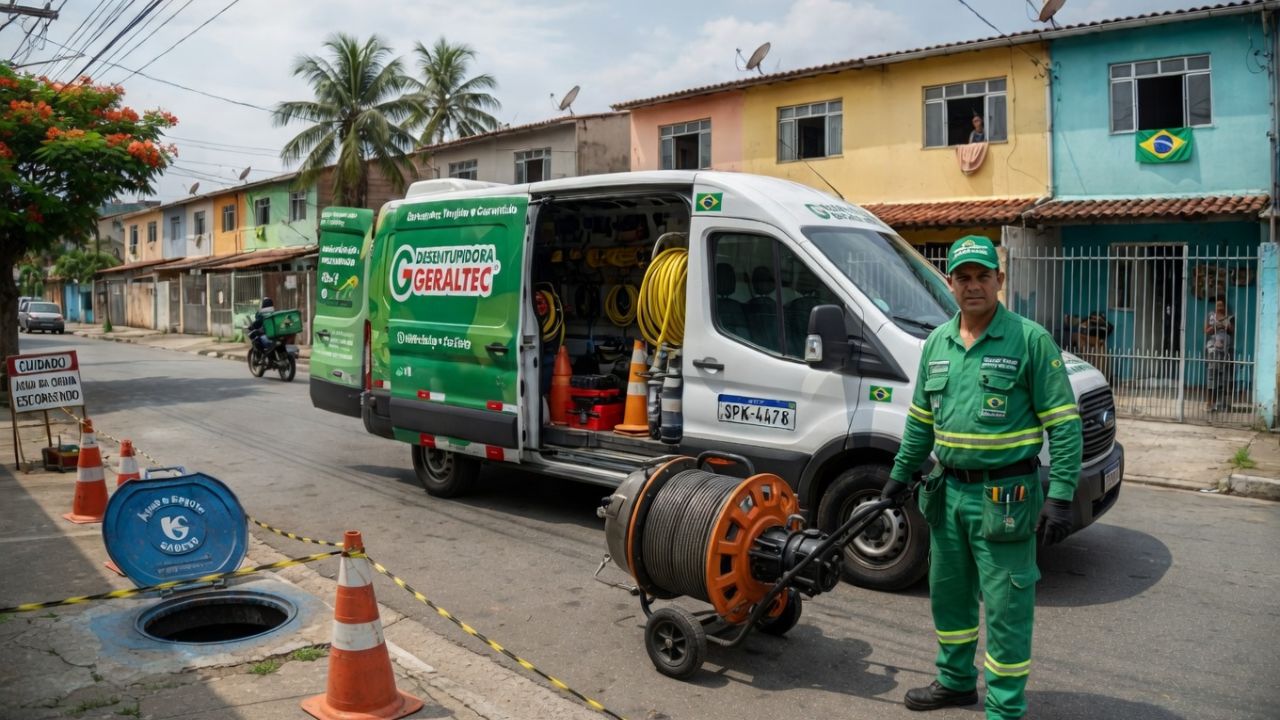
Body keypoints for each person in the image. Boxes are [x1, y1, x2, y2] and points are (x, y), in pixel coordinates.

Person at [882, 235, 1083, 720]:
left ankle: (1005, 708)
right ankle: (954, 683)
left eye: (983, 276)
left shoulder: (1030, 340)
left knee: (1007, 609)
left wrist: (1060, 496)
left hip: (1006, 499)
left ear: (1000, 280)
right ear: (949, 283)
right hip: (947, 492)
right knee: (948, 598)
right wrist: (898, 476)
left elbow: (1064, 423)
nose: (973, 286)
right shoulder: (936, 343)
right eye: (963, 277)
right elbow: (920, 423)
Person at [1204, 296, 1234, 412]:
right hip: (1213, 350)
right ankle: (1209, 403)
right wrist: (1215, 327)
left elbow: (1232, 331)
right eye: (1218, 305)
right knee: (1212, 375)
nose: (1220, 307)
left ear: (1224, 306)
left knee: (1223, 377)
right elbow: (1205, 330)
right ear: (1215, 306)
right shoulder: (1211, 316)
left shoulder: (1229, 317)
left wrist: (1226, 326)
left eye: (1221, 305)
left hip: (1225, 350)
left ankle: (1220, 403)